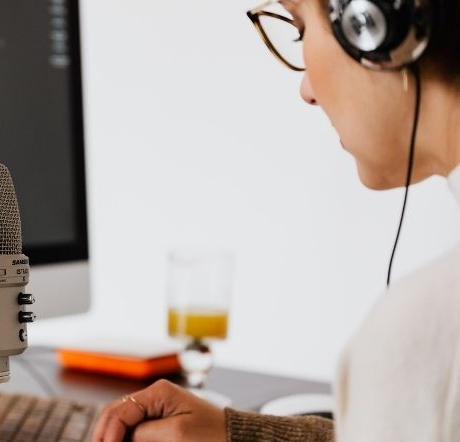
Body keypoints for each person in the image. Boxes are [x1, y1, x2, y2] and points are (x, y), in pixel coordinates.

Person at [91, 0, 460, 440]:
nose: (307, 90)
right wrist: (236, 434)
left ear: (375, 25)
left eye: (302, 30)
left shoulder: (423, 336)